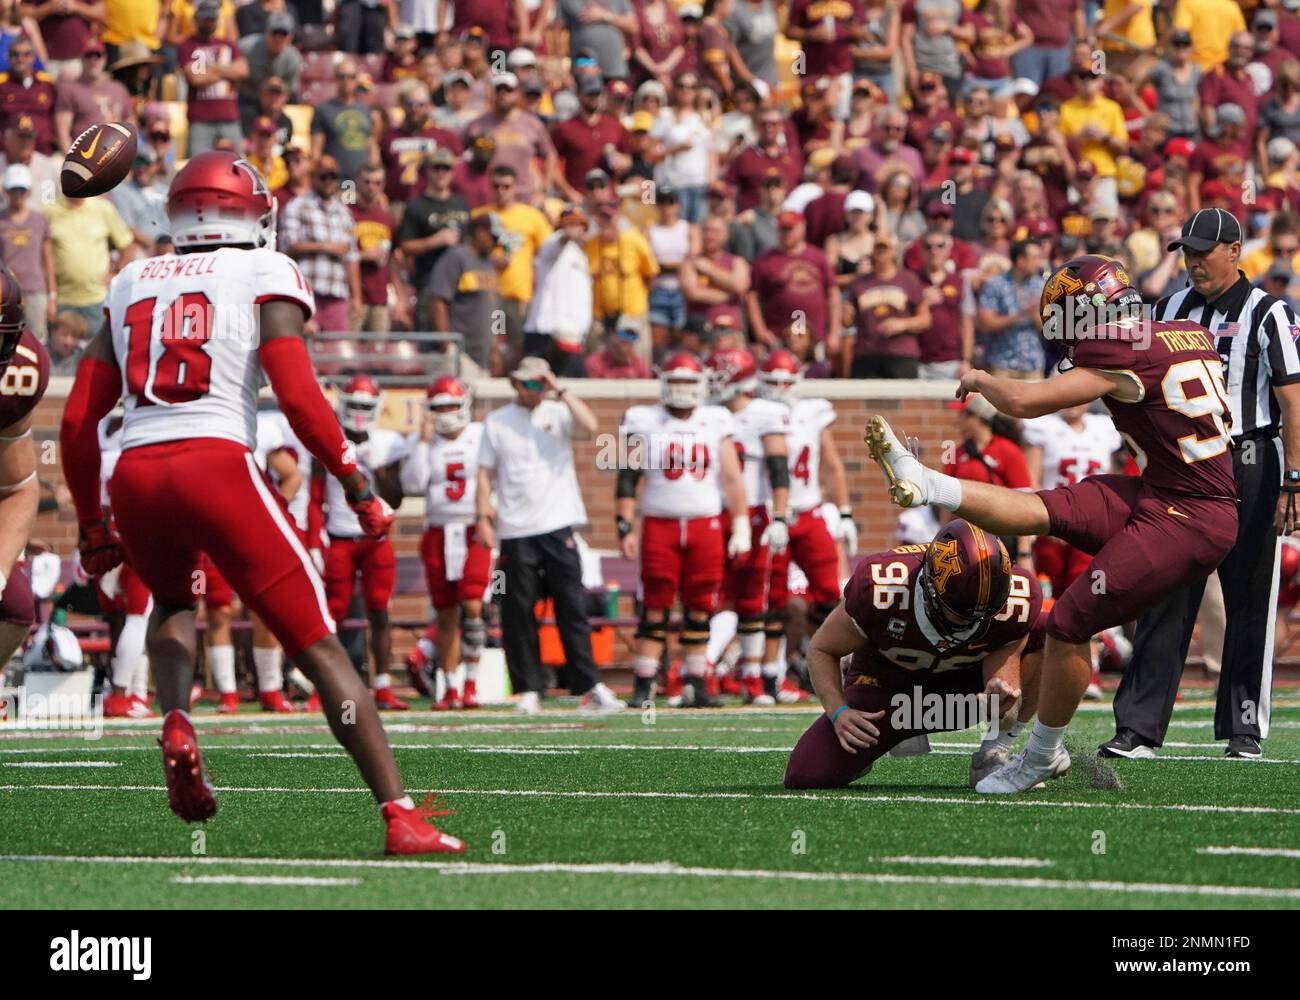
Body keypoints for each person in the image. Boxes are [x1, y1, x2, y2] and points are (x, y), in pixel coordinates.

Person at [57, 150, 463, 854]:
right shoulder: (262, 268)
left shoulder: (130, 279)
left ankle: (179, 715)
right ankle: (399, 815)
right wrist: (356, 483)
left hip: (137, 471)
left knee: (177, 606)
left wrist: (93, 522)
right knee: (321, 645)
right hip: (216, 461)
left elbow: (75, 421)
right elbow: (299, 395)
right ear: (243, 211)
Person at [865, 254, 1239, 794]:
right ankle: (929, 484)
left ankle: (1043, 755)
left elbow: (1024, 402)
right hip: (1172, 493)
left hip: (1189, 513)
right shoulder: (1185, 331)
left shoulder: (1117, 349)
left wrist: (981, 380)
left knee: (1068, 623)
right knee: (1052, 507)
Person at [1104, 208, 1300, 761]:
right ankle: (1138, 727)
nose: (1193, 263)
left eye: (1203, 251)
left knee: (1249, 591)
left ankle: (1244, 727)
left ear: (1235, 251)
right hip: (1185, 464)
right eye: (1186, 252)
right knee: (1165, 584)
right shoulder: (1170, 308)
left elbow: (1293, 402)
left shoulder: (1269, 313)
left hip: (1250, 458)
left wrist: (1294, 481)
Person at [785, 518, 1042, 789]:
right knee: (807, 773)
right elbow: (822, 648)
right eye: (957, 615)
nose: (967, 625)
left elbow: (1007, 671)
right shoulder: (882, 585)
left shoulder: (1019, 597)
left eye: (979, 618)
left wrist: (1001, 694)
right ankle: (885, 738)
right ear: (930, 584)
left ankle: (995, 753)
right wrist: (838, 712)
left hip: (961, 696)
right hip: (890, 691)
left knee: (1051, 630)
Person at [475, 355, 625, 715]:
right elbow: (484, 474)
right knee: (518, 612)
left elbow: (590, 426)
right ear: (514, 384)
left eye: (539, 383)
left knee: (572, 607)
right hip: (515, 530)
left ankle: (588, 686)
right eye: (528, 383)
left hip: (558, 527)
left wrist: (560, 388)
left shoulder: (557, 412)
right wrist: (482, 517)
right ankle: (528, 688)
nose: (534, 389)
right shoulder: (496, 422)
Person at [617, 350, 749, 706]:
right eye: (674, 380)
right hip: (660, 522)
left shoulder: (715, 419)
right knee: (655, 603)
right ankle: (644, 683)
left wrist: (740, 523)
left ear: (701, 384)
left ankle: (696, 682)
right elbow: (628, 477)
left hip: (704, 523)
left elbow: (732, 477)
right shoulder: (643, 418)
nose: (680, 388)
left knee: (701, 604)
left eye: (687, 381)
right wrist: (625, 525)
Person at [757, 349, 854, 701]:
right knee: (774, 597)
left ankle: (822, 664)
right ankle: (770, 674)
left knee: (830, 594)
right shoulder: (754, 414)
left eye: (786, 381)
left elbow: (830, 465)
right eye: (773, 382)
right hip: (771, 514)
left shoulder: (812, 412)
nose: (780, 388)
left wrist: (844, 512)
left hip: (809, 510)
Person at [310, 375, 411, 712]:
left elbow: (396, 499)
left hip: (375, 539)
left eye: (365, 407)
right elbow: (316, 493)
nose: (358, 413)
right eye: (353, 405)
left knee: (379, 611)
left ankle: (382, 685)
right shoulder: (330, 439)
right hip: (338, 537)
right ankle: (324, 686)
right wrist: (314, 539)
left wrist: (380, 469)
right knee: (331, 616)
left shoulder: (388, 442)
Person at [704, 347, 790, 705]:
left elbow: (778, 470)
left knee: (753, 597)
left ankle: (754, 678)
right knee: (707, 594)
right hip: (709, 510)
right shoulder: (705, 414)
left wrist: (781, 516)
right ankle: (700, 671)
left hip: (753, 513)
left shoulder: (764, 414)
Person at [400, 376, 489, 711]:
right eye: (439, 407)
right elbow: (413, 483)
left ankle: (471, 683)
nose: (447, 412)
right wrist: (422, 443)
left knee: (473, 604)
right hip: (438, 530)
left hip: (472, 529)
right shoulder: (424, 442)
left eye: (452, 405)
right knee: (445, 612)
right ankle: (449, 687)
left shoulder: (481, 436)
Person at [280, 154, 362, 333]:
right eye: (323, 176)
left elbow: (352, 257)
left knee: (338, 351)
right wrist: (327, 247)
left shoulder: (344, 212)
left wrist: (356, 297)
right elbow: (287, 247)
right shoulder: (297, 206)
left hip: (337, 292)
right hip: (306, 292)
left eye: (332, 177)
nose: (328, 181)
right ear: (313, 177)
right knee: (306, 350)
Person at [427, 212, 502, 373]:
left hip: (484, 359)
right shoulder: (456, 257)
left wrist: (496, 348)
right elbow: (437, 300)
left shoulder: (490, 264)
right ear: (479, 232)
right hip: (460, 354)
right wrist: (446, 345)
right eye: (493, 237)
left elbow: (497, 311)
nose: (496, 242)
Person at [178, 0, 248, 156]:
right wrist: (228, 72)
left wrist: (213, 69)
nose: (209, 23)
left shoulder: (229, 44)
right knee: (197, 166)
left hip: (230, 118)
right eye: (206, 18)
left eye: (213, 19)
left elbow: (243, 70)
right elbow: (195, 79)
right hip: (200, 120)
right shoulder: (187, 45)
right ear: (196, 19)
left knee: (238, 165)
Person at [0, 163, 52, 340]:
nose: (18, 195)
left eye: (21, 190)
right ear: (6, 191)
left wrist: (52, 295)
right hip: (6, 291)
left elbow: (47, 259)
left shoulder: (40, 220)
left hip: (35, 288)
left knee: (37, 339)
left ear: (29, 191)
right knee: (6, 339)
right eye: (14, 190)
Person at [53, 37, 131, 154]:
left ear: (105, 59)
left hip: (117, 156)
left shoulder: (118, 88)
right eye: (89, 56)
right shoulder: (70, 89)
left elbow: (130, 124)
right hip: (86, 157)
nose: (93, 61)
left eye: (97, 55)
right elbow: (62, 132)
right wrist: (73, 164)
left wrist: (128, 160)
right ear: (81, 58)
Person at [310, 56, 378, 182]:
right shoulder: (322, 110)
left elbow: (371, 144)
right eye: (342, 77)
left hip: (365, 184)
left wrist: (375, 175)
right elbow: (316, 152)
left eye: (351, 77)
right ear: (335, 79)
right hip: (338, 182)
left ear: (357, 80)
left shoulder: (366, 110)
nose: (347, 81)